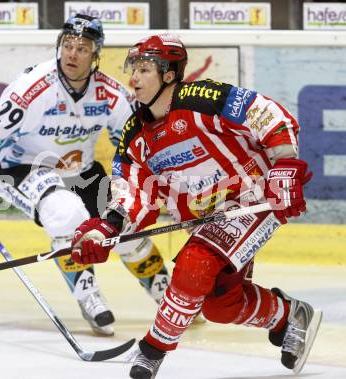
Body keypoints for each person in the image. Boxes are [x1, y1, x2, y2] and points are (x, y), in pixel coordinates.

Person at [71, 34, 322, 378]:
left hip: (253, 200)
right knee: (220, 304)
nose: (134, 78)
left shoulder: (202, 98)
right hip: (206, 220)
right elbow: (132, 191)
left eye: (144, 70)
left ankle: (151, 351)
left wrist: (285, 162)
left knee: (194, 267)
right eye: (133, 69)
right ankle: (288, 315)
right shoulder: (135, 134)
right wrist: (107, 227)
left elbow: (264, 112)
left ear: (169, 75)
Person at [0, 15, 171, 336]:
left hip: (80, 170)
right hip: (20, 168)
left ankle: (168, 296)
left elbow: (138, 139)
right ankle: (87, 292)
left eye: (82, 48)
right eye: (67, 45)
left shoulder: (109, 93)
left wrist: (158, 178)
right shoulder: (33, 85)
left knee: (126, 223)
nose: (72, 54)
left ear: (96, 54)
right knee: (67, 214)